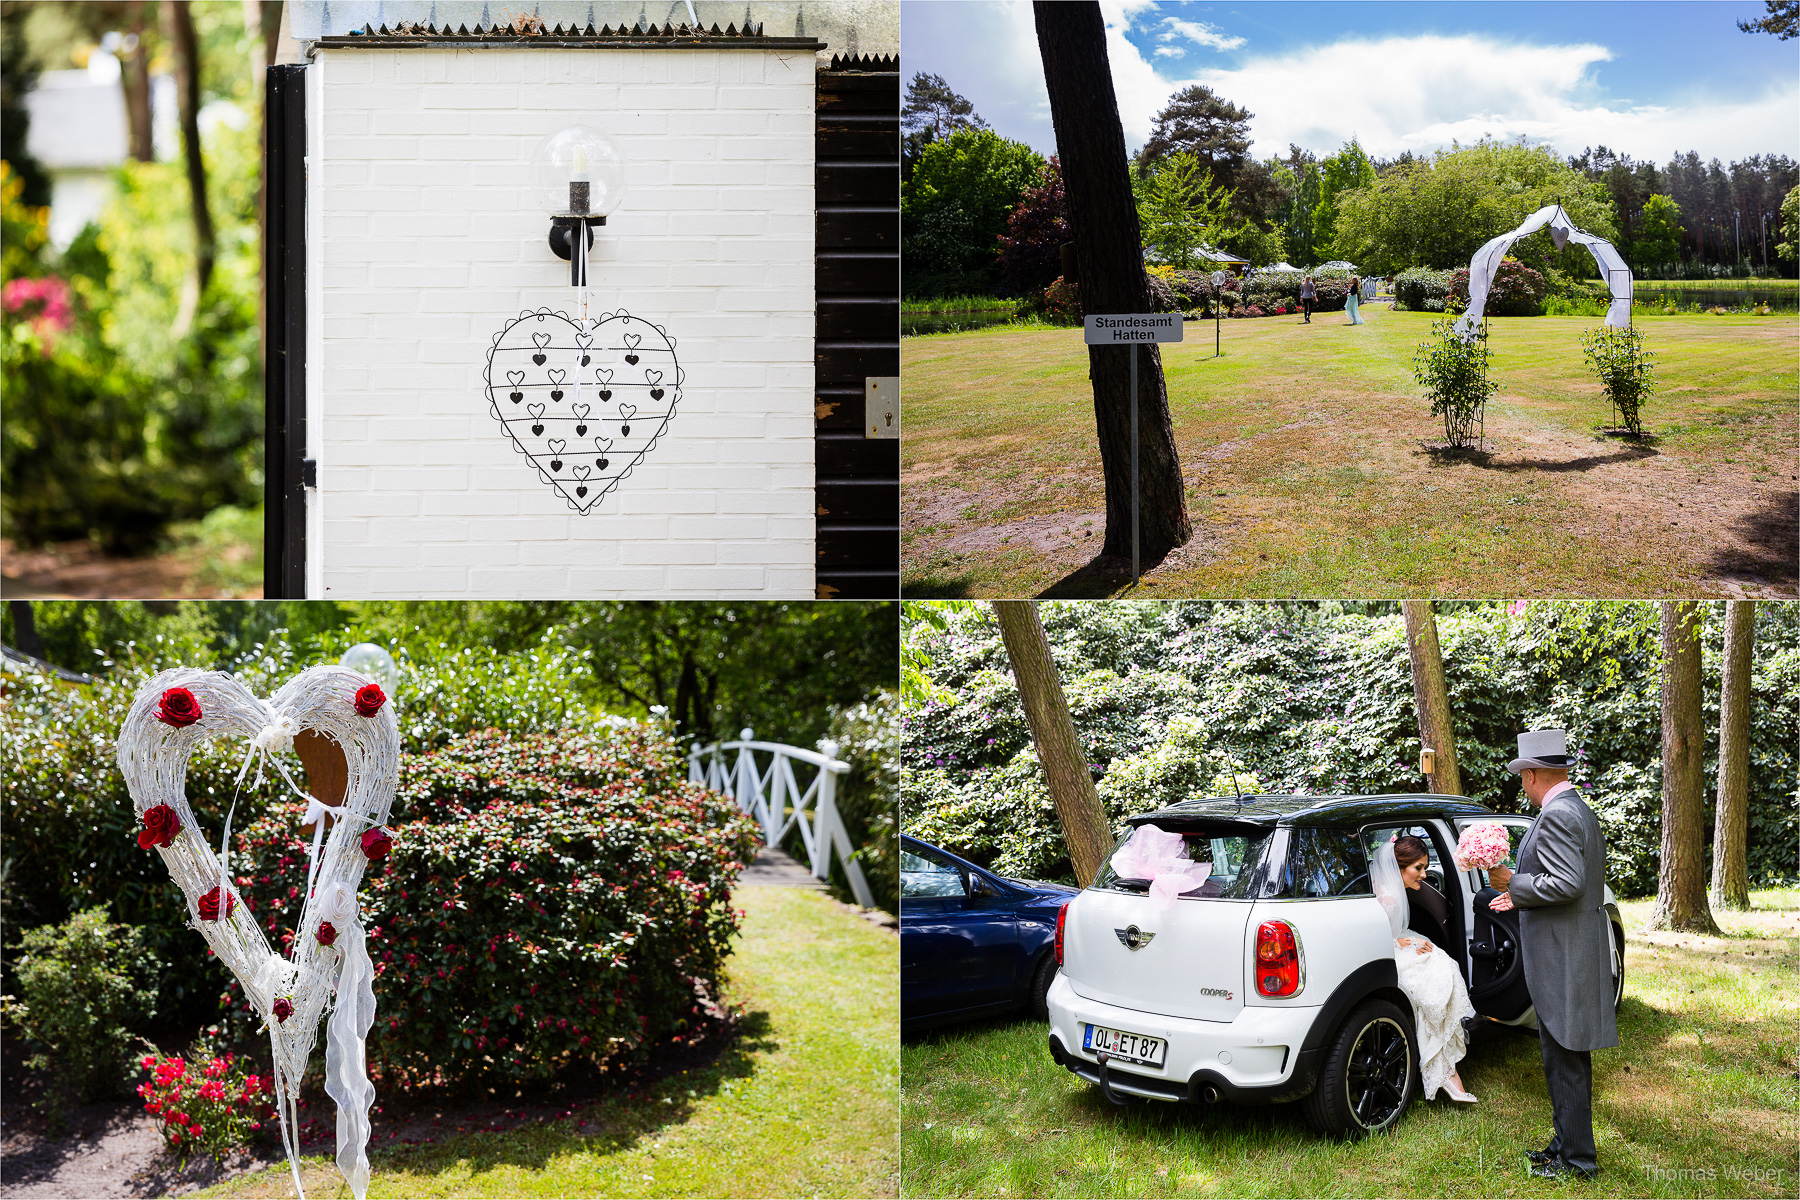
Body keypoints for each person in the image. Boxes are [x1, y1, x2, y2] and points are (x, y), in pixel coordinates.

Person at [1487, 728, 1618, 1181]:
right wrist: (1522, 898)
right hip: (1572, 952)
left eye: (1523, 775)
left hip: (1564, 959)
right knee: (1564, 1058)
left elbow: (1566, 883)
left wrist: (1512, 883)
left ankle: (1577, 1163)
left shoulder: (1558, 814)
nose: (1523, 784)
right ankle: (1565, 1145)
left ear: (1535, 774)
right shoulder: (1576, 808)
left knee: (1564, 1059)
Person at [1372, 834, 1478, 1104]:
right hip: (1384, 952)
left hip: (1397, 943)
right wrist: (1401, 942)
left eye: (1425, 867)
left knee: (1443, 963)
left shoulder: (1393, 890)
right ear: (1399, 867)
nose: (1424, 874)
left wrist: (1409, 941)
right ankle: (1446, 1072)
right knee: (1435, 978)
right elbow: (1372, 940)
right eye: (1418, 868)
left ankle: (1448, 1071)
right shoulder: (1388, 898)